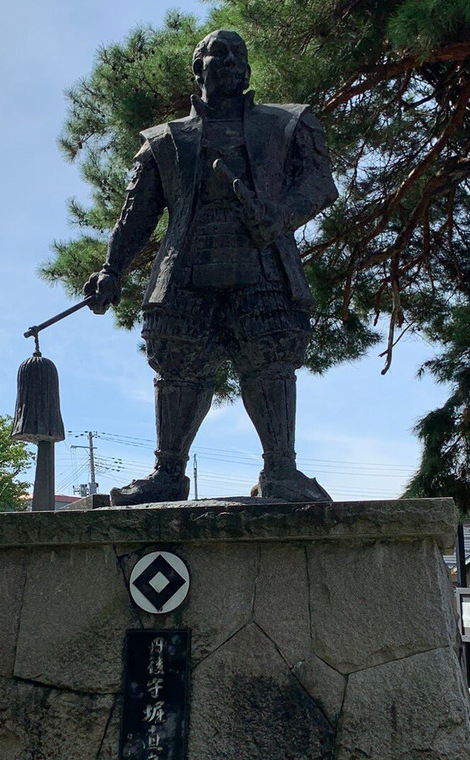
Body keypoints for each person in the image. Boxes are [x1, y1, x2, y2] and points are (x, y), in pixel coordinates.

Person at [83, 29, 338, 505]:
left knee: (270, 362)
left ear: (246, 69)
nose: (223, 60)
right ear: (195, 70)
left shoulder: (288, 123)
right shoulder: (164, 140)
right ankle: (168, 474)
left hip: (263, 265)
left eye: (234, 53)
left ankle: (282, 471)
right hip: (185, 271)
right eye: (211, 53)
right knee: (177, 366)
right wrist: (111, 268)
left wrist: (280, 216)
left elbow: (320, 183)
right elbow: (136, 213)